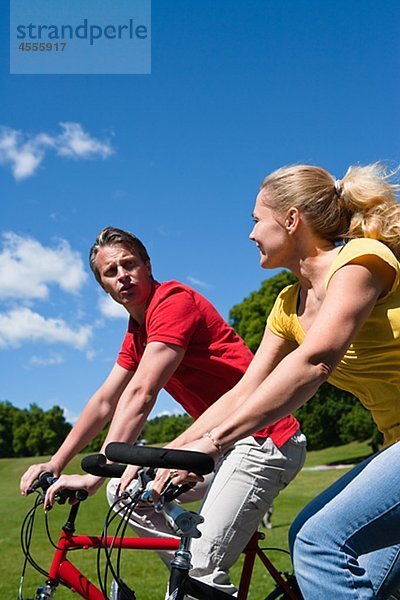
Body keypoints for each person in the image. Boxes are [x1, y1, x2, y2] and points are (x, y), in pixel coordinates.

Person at [152, 164, 400, 599]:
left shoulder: (361, 260)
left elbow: (315, 361)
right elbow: (244, 390)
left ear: (290, 219)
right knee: (321, 550)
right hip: (392, 444)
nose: (250, 235)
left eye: (255, 220)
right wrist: (174, 452)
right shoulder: (288, 304)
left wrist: (214, 444)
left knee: (319, 544)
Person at [20, 226, 306, 597]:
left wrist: (97, 474)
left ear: (148, 266)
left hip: (264, 439)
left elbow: (142, 393)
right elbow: (106, 400)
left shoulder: (172, 302)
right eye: (111, 272)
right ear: (104, 286)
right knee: (122, 495)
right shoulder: (136, 331)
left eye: (130, 264)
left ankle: (198, 578)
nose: (123, 275)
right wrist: (55, 464)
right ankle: (193, 584)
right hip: (215, 445)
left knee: (200, 566)